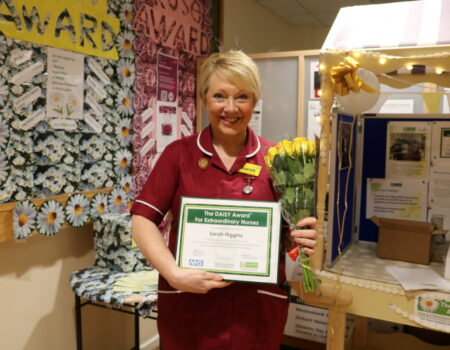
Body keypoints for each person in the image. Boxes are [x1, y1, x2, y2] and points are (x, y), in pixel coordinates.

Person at [130, 50, 317, 350]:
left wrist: (302, 237)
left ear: (255, 101)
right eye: (220, 96)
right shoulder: (179, 155)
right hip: (190, 306)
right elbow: (142, 219)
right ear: (204, 99)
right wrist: (173, 273)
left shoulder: (278, 159)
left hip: (254, 309)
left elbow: (288, 238)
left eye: (242, 96)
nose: (231, 108)